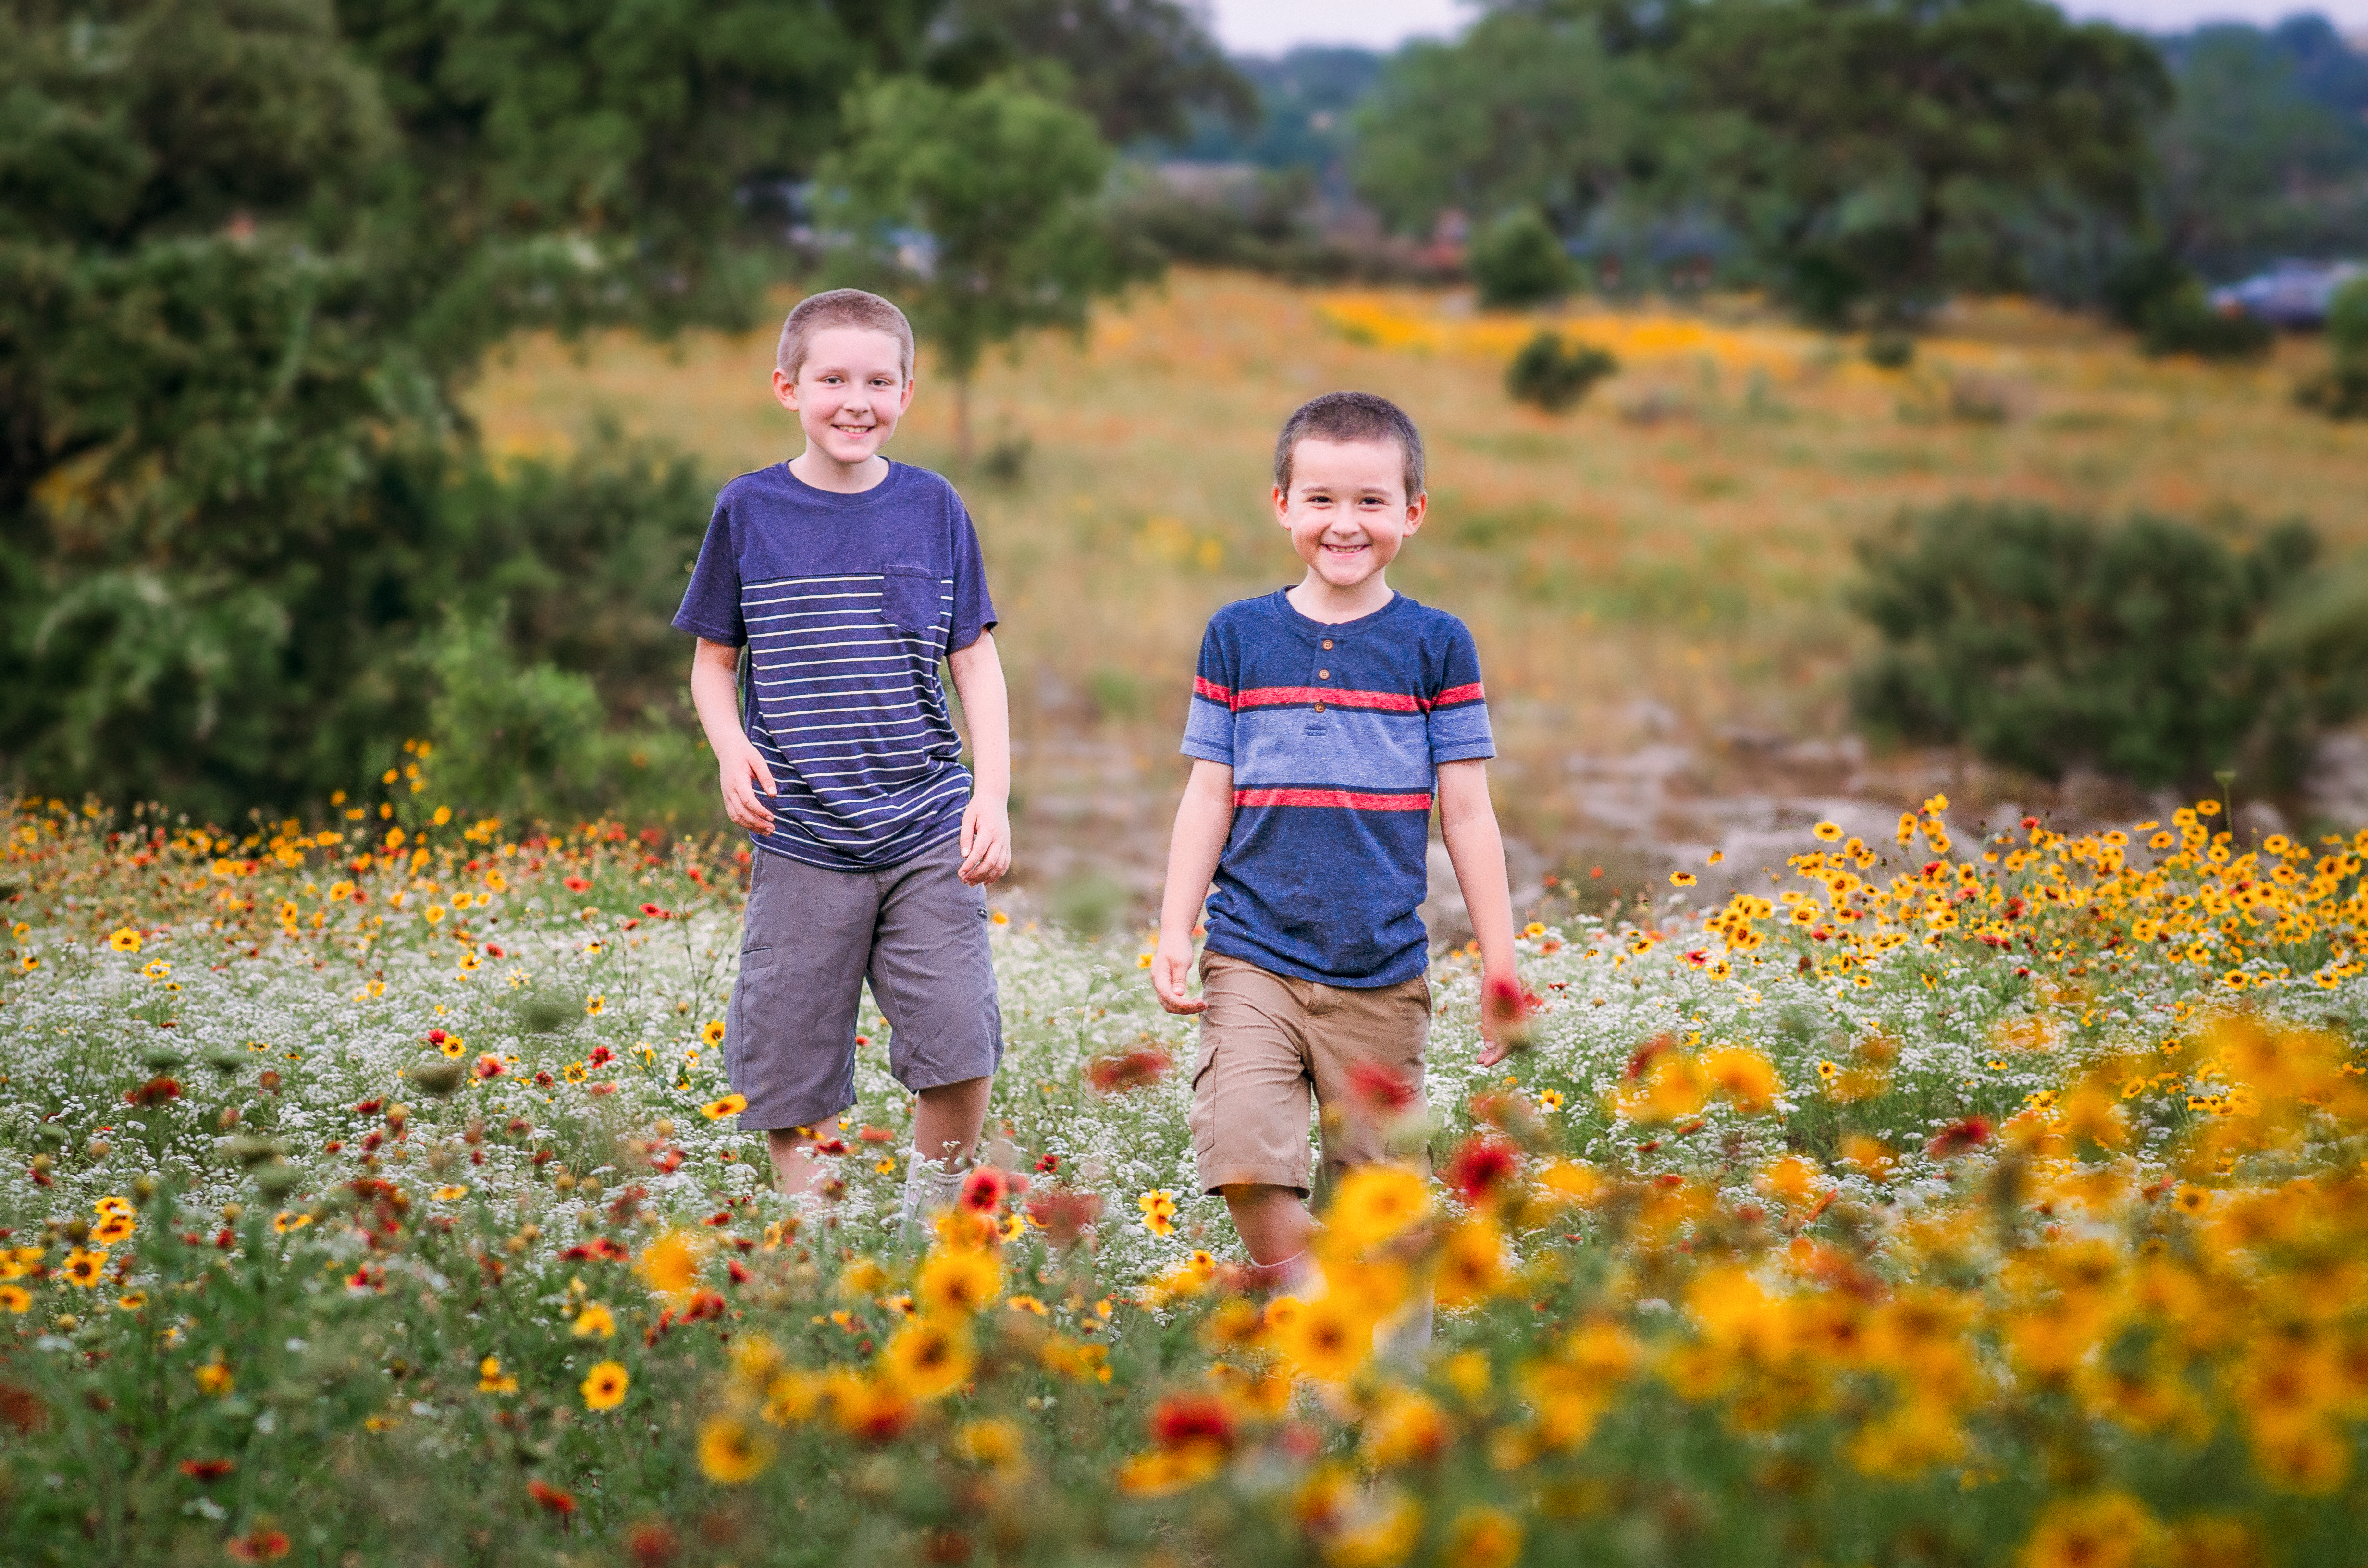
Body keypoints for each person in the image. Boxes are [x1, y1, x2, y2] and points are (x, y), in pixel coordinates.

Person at [1149, 390, 1520, 1345]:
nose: (1343, 524)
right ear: (1280, 504)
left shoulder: (1436, 645)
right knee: (1241, 1156)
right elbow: (1206, 794)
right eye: (1319, 500)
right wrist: (1172, 926)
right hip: (1253, 955)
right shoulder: (1237, 635)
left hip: (1380, 973)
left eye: (1369, 501)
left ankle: (1391, 1408)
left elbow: (1468, 813)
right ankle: (1322, 1320)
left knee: (1384, 1206)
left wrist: (1501, 967)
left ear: (1412, 511)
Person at [674, 288, 1012, 1231]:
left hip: (925, 824)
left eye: (878, 380)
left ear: (907, 392)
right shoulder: (749, 509)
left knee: (960, 1042)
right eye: (832, 379)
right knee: (788, 1064)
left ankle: (924, 1231)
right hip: (802, 830)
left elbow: (974, 657)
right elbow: (712, 662)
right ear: (788, 387)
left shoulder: (933, 505)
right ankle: (815, 1248)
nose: (855, 400)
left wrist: (993, 794)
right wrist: (730, 746)